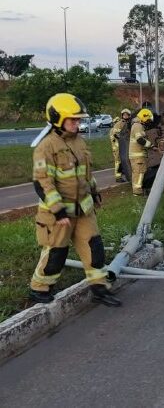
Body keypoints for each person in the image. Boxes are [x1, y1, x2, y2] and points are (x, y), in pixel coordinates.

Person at [29, 93, 121, 307]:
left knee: (94, 250)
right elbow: (43, 182)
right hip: (58, 216)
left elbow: (85, 174)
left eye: (79, 119)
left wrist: (95, 191)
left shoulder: (79, 142)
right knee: (55, 254)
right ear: (58, 119)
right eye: (73, 119)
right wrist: (58, 211)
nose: (77, 123)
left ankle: (99, 288)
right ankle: (39, 288)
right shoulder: (46, 147)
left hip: (83, 211)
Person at [128, 108, 154, 196]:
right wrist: (150, 145)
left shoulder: (138, 126)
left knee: (139, 173)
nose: (148, 122)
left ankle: (138, 191)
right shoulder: (137, 126)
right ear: (144, 117)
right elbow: (139, 140)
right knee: (138, 174)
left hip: (138, 156)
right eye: (148, 120)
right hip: (137, 156)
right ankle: (137, 192)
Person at [109, 108, 132, 182]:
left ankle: (123, 174)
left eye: (126, 115)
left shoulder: (127, 123)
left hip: (123, 146)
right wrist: (123, 139)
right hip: (117, 146)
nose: (125, 116)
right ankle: (118, 177)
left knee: (123, 161)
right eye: (124, 115)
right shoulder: (119, 123)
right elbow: (116, 134)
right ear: (122, 115)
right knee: (118, 161)